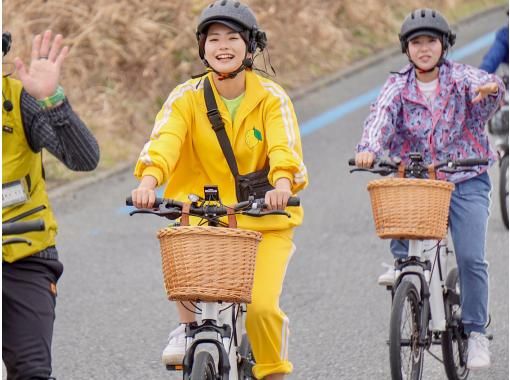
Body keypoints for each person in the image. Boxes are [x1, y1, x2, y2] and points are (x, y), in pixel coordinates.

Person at [131, 1, 308, 379]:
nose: (222, 46)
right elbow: (164, 141)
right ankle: (188, 327)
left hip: (263, 219)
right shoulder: (186, 97)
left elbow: (284, 148)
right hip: (204, 216)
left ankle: (273, 370)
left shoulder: (271, 99)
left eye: (232, 38)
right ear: (202, 47)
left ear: (250, 46)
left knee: (260, 309)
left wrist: (281, 184)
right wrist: (148, 182)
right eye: (214, 39)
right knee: (178, 244)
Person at [354, 8, 504, 370]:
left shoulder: (460, 77)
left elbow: (487, 89)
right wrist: (368, 148)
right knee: (405, 244)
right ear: (406, 49)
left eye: (431, 42)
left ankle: (475, 332)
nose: (424, 49)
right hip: (416, 180)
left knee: (470, 258)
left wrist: (493, 90)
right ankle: (407, 276)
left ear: (444, 46)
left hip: (464, 177)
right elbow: (380, 117)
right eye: (416, 43)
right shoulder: (397, 86)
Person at [2, 30, 100, 379]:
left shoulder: (16, 100)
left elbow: (84, 159)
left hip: (24, 256)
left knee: (32, 371)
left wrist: (52, 100)